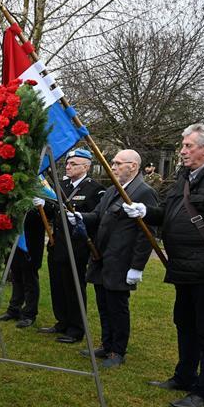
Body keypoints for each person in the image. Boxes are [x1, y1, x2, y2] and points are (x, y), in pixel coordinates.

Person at [123, 124, 204, 407]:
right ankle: (184, 376)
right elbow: (169, 214)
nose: (182, 151)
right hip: (184, 269)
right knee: (185, 324)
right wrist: (146, 212)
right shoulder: (185, 177)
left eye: (188, 146)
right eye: (183, 145)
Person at [70, 150, 158, 368]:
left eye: (118, 163)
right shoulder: (113, 190)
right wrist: (80, 216)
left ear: (133, 166)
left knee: (117, 307)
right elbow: (98, 215)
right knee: (103, 304)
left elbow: (147, 233)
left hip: (121, 259)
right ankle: (106, 344)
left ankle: (118, 351)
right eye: (113, 163)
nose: (113, 167)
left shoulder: (144, 192)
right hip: (102, 256)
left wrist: (137, 266)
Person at [39, 148, 105, 343]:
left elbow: (97, 217)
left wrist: (80, 218)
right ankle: (62, 321)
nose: (68, 167)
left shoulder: (95, 189)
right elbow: (53, 211)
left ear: (86, 167)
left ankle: (76, 328)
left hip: (78, 245)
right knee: (58, 284)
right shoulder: (62, 186)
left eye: (73, 164)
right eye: (68, 163)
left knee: (74, 286)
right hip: (57, 242)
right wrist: (42, 203)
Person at [0, 206, 46, 328]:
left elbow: (48, 214)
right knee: (16, 275)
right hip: (15, 238)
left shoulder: (42, 195)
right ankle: (14, 309)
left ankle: (29, 314)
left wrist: (41, 206)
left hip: (31, 240)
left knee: (30, 279)